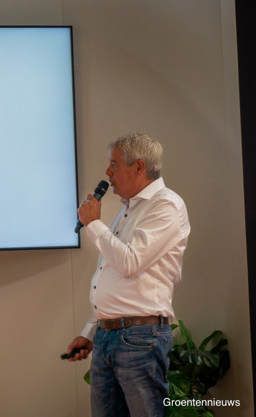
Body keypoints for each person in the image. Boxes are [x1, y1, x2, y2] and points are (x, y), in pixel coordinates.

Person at [66, 132, 190, 417]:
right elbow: (111, 276)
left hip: (140, 338)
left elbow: (130, 262)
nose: (107, 173)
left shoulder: (165, 206)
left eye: (114, 164)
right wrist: (91, 331)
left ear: (139, 167)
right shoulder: (128, 210)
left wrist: (94, 224)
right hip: (108, 336)